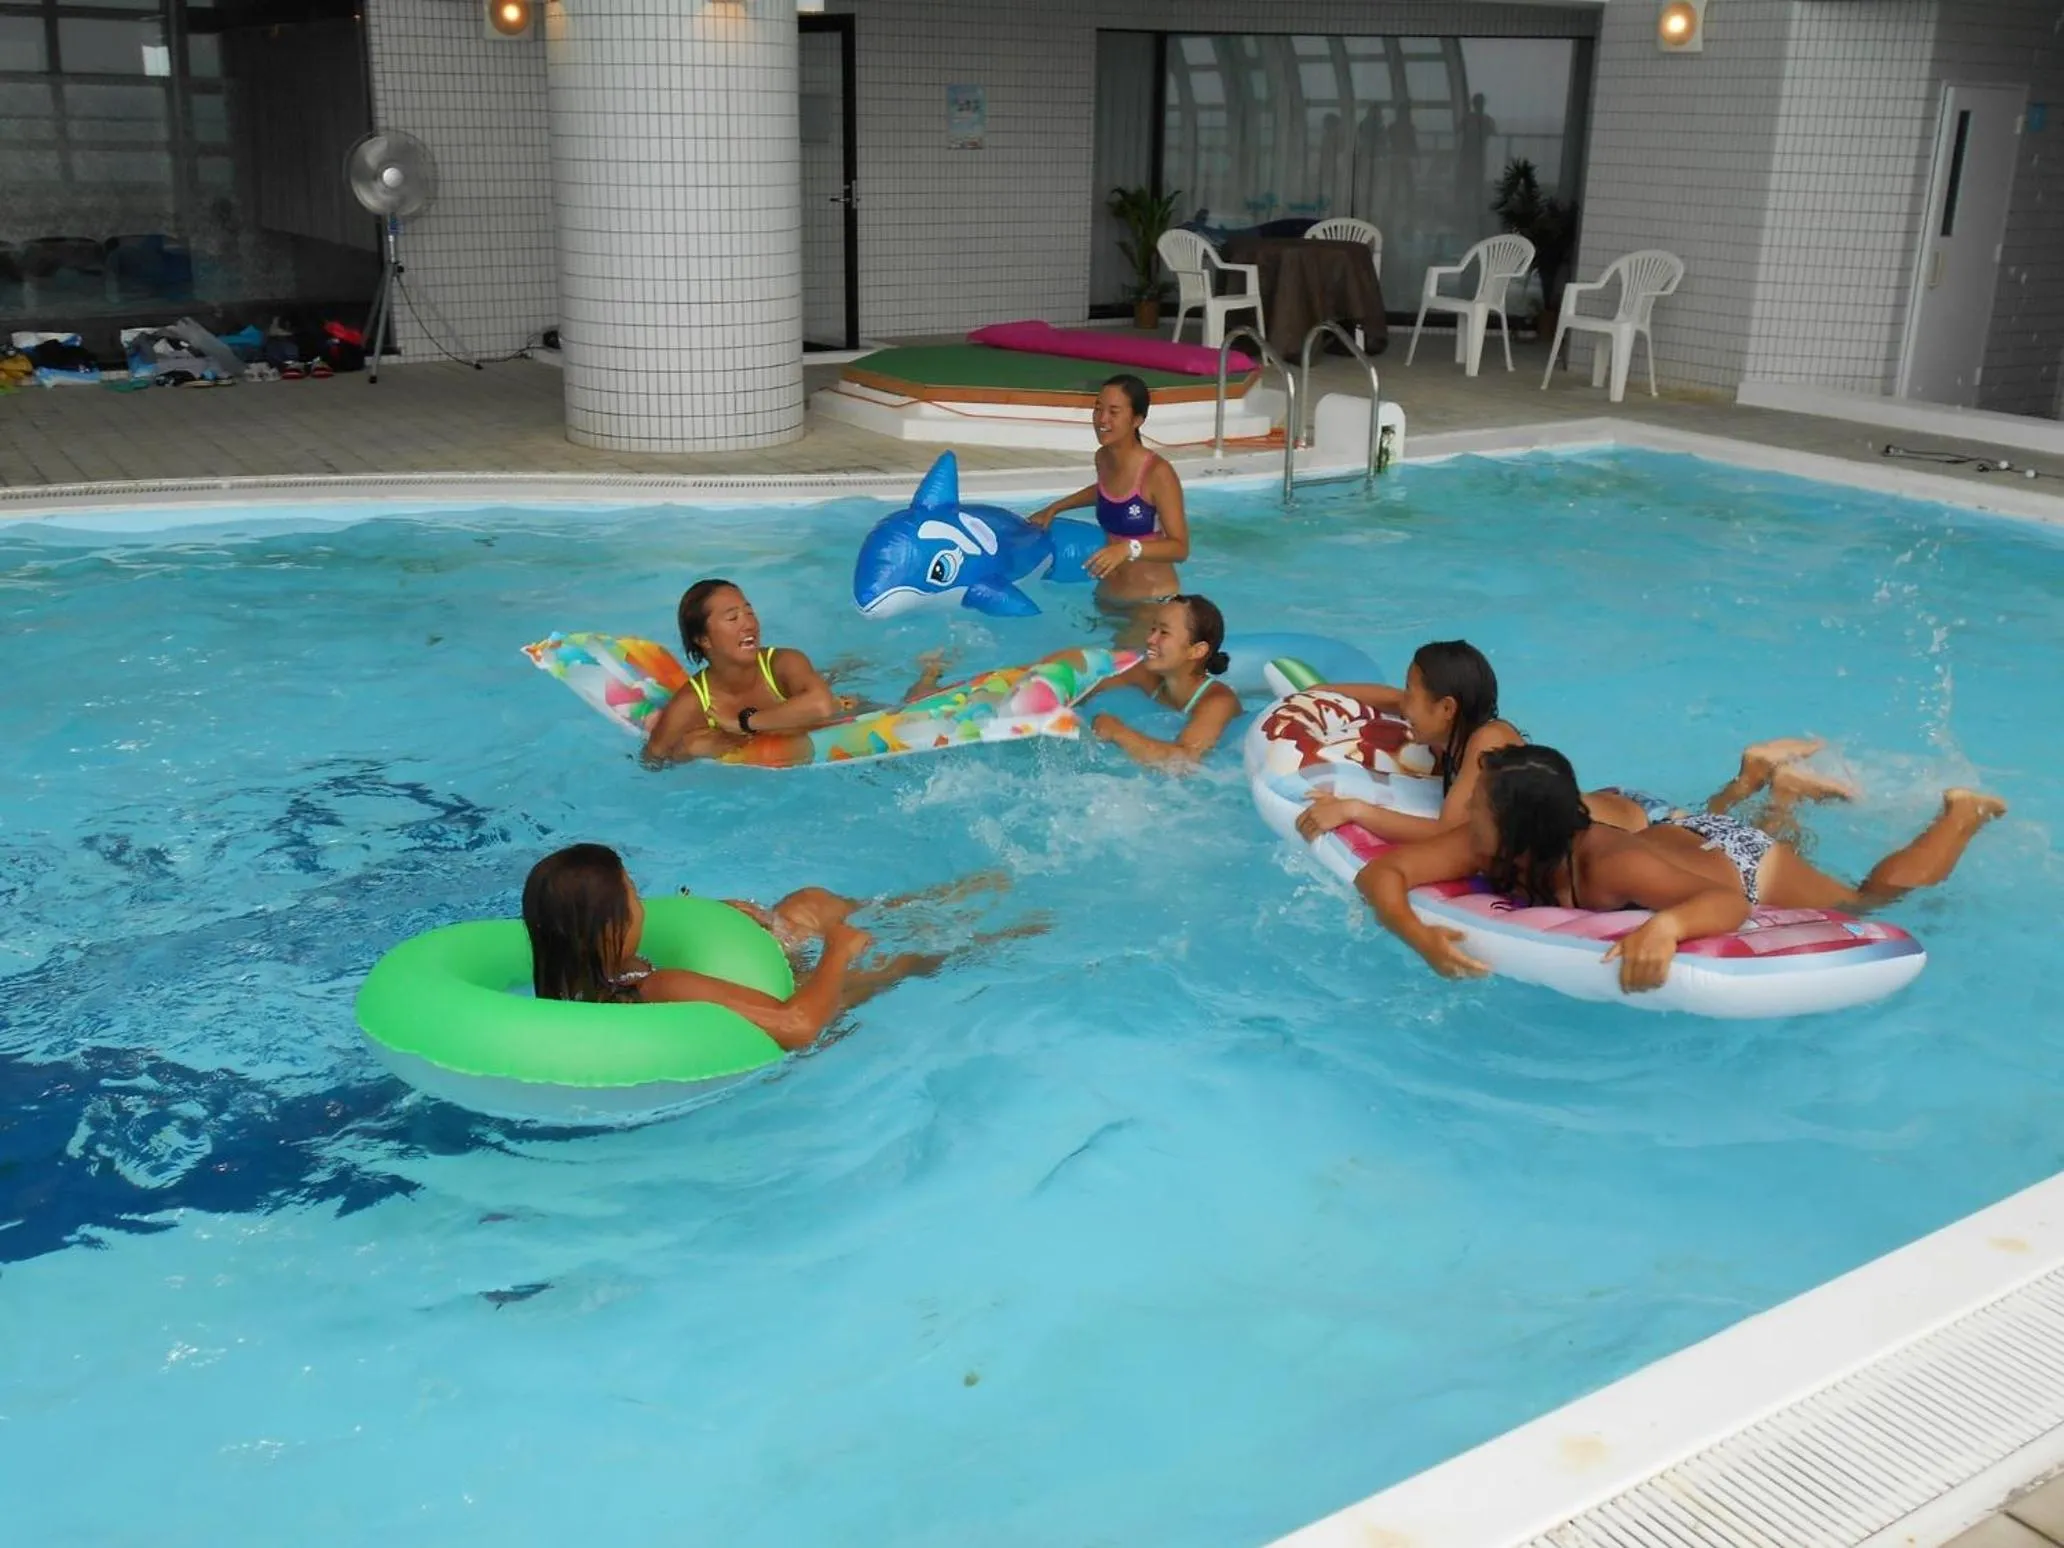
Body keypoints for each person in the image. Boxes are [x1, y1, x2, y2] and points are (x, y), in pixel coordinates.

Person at [1356, 743, 2007, 994]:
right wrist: (1415, 933)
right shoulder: (1488, 843)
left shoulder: (1610, 862)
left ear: (1521, 824)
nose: (1466, 808)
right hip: (1681, 838)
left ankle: (1963, 814)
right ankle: (1784, 792)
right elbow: (1380, 875)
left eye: (1480, 803)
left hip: (1737, 863)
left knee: (1867, 901)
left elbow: (1730, 909)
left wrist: (1666, 931)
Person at [521, 845, 1035, 1050]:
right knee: (891, 957)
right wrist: (839, 950)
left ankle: (946, 898)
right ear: (608, 926)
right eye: (632, 893)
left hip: (755, 994)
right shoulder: (658, 986)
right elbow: (798, 1027)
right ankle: (1006, 935)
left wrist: (722, 921)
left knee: (805, 904)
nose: (642, 903)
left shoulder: (593, 982)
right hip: (800, 1019)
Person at [642, 579, 948, 765]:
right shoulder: (693, 702)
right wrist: (693, 748)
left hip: (846, 720)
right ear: (704, 639)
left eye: (749, 611)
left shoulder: (782, 663)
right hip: (806, 727)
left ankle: (929, 673)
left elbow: (822, 706)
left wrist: (744, 724)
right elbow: (654, 758)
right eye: (732, 618)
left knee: (909, 715)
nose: (749, 623)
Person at [1295, 639, 1519, 844]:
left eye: (1411, 692)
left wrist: (1351, 809)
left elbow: (1446, 834)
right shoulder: (1453, 730)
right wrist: (1320, 692)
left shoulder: (1488, 743)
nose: (1405, 705)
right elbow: (1395, 699)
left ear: (1447, 708)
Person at [1024, 375, 1191, 607]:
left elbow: (1180, 548)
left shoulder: (1157, 474)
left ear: (1137, 420)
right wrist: (1055, 508)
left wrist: (1127, 549)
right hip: (1108, 595)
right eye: (1098, 409)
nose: (1102, 419)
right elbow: (1107, 492)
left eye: (1114, 412)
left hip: (1151, 601)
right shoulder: (1103, 457)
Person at [1079, 594, 1241, 766]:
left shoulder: (1219, 702)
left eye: (1164, 632)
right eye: (1152, 629)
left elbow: (1184, 763)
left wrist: (1117, 732)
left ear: (1196, 651)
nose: (1150, 639)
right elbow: (1086, 682)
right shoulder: (1145, 676)